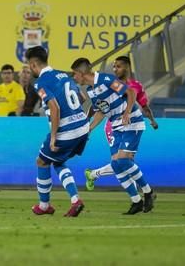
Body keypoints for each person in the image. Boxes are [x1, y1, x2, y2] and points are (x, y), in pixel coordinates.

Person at [71, 58, 156, 214]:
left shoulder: (106, 79)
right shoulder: (91, 90)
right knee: (117, 165)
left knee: (123, 160)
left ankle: (148, 191)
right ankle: (136, 201)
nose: (74, 78)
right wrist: (89, 128)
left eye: (74, 74)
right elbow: (101, 110)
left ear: (81, 73)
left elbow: (131, 92)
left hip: (131, 122)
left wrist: (127, 112)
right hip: (116, 126)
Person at [25, 46, 87, 217]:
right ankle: (75, 200)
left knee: (41, 161)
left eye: (29, 66)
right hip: (82, 126)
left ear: (33, 64)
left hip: (66, 130)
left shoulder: (41, 82)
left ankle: (44, 206)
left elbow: (55, 108)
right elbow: (82, 98)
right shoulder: (63, 75)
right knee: (58, 161)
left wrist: (53, 137)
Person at [84, 55, 158, 190]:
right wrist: (87, 120)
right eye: (114, 66)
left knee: (125, 162)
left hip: (130, 123)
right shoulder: (109, 82)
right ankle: (140, 195)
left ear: (127, 67)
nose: (115, 69)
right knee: (121, 161)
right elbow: (98, 105)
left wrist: (152, 120)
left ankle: (94, 174)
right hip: (112, 126)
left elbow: (144, 105)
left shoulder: (136, 86)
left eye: (118, 66)